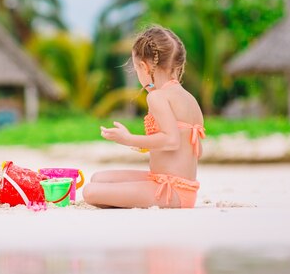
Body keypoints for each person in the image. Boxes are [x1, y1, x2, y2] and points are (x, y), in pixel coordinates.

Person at [83, 26, 205, 208]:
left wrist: (129, 139)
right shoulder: (189, 99)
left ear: (144, 67)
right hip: (181, 188)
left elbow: (172, 140)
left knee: (89, 191)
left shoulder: (156, 97)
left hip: (170, 190)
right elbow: (196, 151)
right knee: (98, 178)